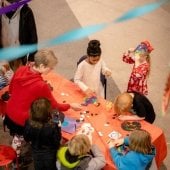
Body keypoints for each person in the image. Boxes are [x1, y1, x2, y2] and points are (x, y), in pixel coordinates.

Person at [4, 49, 81, 136]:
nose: (51, 70)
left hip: (9, 112)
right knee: (24, 142)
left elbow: (11, 90)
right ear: (41, 66)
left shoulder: (21, 69)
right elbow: (54, 106)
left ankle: (17, 142)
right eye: (50, 67)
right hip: (21, 121)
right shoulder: (41, 86)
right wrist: (70, 105)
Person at [24, 98, 61, 170]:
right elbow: (57, 141)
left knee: (38, 166)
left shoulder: (28, 122)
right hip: (49, 153)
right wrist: (59, 128)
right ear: (48, 112)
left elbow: (26, 138)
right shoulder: (52, 126)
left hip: (36, 151)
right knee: (51, 166)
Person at [0, 0, 38, 71]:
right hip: (3, 55)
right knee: (4, 80)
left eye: (16, 2)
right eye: (11, 3)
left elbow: (33, 36)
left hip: (19, 56)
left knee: (19, 78)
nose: (14, 5)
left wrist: (32, 57)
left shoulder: (26, 12)